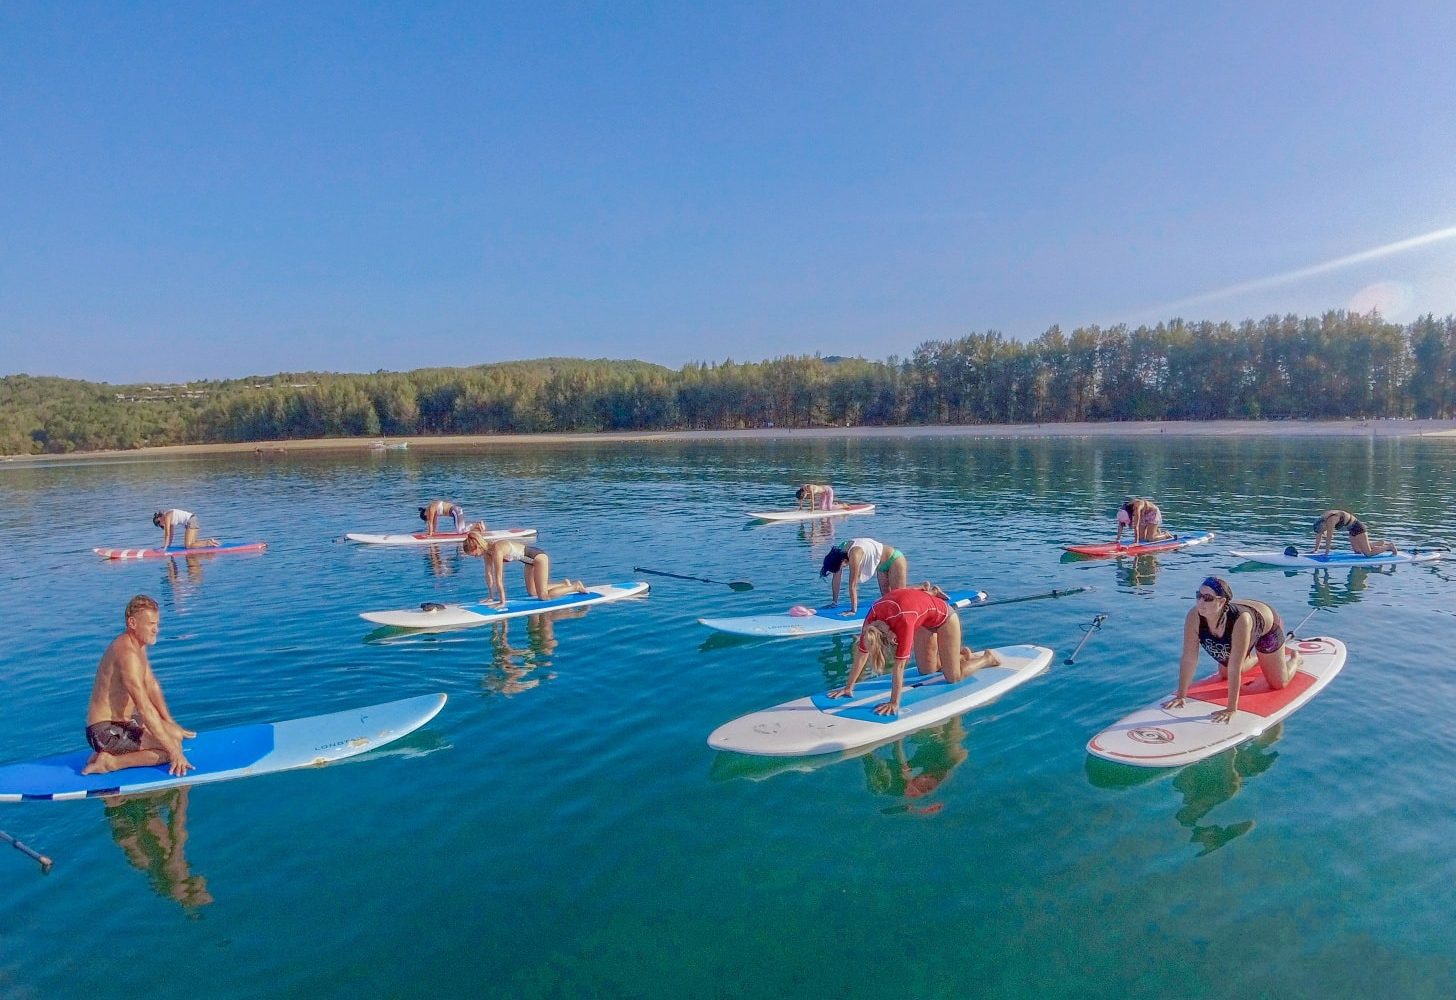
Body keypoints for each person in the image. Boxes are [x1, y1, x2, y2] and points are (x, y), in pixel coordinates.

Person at [827, 583, 1000, 716]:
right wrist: (849, 687)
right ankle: (960, 656)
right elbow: (861, 654)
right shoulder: (870, 623)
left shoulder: (904, 623)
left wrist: (894, 702)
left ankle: (986, 658)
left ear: (888, 635)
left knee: (953, 677)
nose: (895, 641)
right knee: (927, 671)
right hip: (924, 621)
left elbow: (899, 667)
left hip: (945, 619)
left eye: (891, 640)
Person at [1163, 576, 1302, 725]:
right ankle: (1256, 658)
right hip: (1238, 626)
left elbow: (1235, 668)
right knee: (1224, 673)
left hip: (1267, 627)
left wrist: (1231, 708)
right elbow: (1189, 658)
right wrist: (1181, 695)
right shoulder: (1194, 616)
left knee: (1278, 683)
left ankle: (1295, 659)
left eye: (1208, 598)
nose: (1200, 602)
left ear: (1221, 601)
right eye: (1199, 596)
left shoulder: (1240, 620)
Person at [82, 595, 195, 777]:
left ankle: (104, 754)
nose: (156, 629)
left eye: (157, 624)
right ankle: (110, 762)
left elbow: (151, 684)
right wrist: (175, 754)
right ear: (132, 623)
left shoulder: (138, 645)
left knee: (175, 734)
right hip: (105, 731)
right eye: (151, 624)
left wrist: (169, 721)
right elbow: (144, 708)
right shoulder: (127, 655)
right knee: (169, 750)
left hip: (124, 721)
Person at [462, 526, 586, 605]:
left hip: (538, 558)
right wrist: (490, 597)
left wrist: (502, 601)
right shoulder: (487, 554)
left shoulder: (497, 550)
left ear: (477, 546)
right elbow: (489, 576)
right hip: (528, 561)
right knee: (532, 593)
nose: (473, 556)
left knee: (543, 596)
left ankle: (575, 587)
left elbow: (499, 578)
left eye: (472, 553)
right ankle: (564, 584)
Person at [820, 537, 909, 615]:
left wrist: (853, 610)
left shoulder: (854, 554)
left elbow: (853, 585)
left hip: (894, 560)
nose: (843, 568)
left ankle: (920, 589)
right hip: (881, 567)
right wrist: (834, 602)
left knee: (899, 598)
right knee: (888, 600)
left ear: (842, 560)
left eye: (842, 566)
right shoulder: (839, 551)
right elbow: (836, 579)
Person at [1312, 509, 1396, 556]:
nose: (1323, 532)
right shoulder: (1321, 521)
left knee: (1368, 554)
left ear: (1323, 525)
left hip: (1358, 528)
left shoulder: (1330, 520)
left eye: (1323, 530)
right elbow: (1319, 534)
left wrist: (1326, 553)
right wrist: (1315, 550)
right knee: (1358, 552)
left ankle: (1389, 546)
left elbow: (1329, 538)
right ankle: (1379, 543)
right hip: (1351, 530)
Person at [152, 509, 218, 550]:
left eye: (159, 524)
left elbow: (167, 534)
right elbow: (171, 534)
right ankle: (210, 541)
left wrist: (165, 548)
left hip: (191, 521)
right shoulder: (168, 516)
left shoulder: (167, 516)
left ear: (159, 519)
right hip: (193, 519)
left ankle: (208, 543)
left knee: (188, 546)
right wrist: (168, 546)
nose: (161, 525)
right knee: (193, 543)